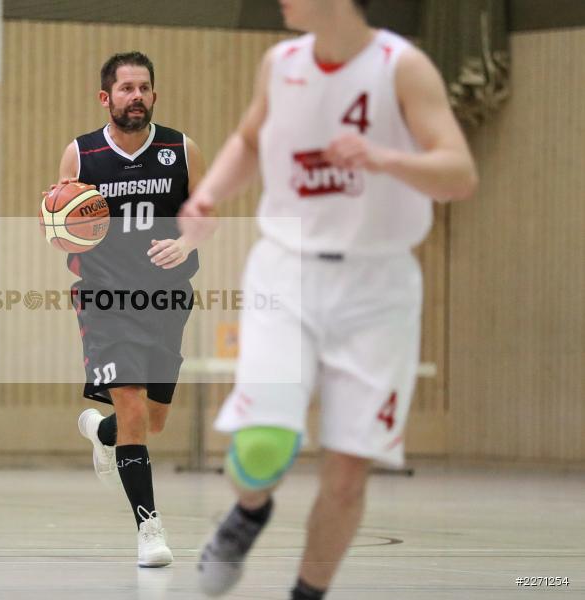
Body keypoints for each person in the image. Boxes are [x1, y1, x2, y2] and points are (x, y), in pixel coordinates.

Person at [178, 0, 477, 597]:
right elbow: (249, 140)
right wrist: (208, 197)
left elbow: (459, 175)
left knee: (345, 475)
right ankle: (248, 511)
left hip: (377, 289)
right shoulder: (279, 62)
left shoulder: (402, 66)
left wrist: (384, 157)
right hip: (287, 275)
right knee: (263, 442)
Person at [44, 51, 206, 567]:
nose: (135, 96)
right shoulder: (81, 155)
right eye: (126, 88)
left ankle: (101, 432)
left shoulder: (181, 149)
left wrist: (184, 244)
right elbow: (63, 235)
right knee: (133, 406)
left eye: (144, 88)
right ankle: (149, 530)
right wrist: (79, 252)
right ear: (106, 97)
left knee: (151, 422)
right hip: (107, 300)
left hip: (167, 298)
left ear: (154, 95)